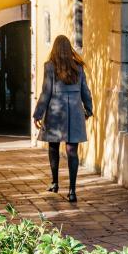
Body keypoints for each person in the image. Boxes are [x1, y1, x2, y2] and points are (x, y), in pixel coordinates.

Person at [33, 35, 93, 203]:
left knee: (53, 147)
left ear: (55, 49)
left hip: (55, 111)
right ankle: (72, 191)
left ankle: (55, 182)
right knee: (72, 151)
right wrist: (89, 109)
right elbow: (85, 91)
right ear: (69, 49)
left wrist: (38, 114)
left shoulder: (50, 67)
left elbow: (46, 92)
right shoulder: (79, 68)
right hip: (74, 111)